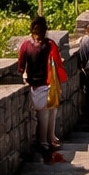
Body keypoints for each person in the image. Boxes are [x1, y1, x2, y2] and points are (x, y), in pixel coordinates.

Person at [17, 15, 64, 162]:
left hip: (38, 83)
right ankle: (46, 139)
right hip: (44, 83)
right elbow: (58, 62)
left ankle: (48, 138)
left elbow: (20, 66)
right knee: (48, 111)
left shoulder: (27, 45)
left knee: (48, 110)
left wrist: (21, 75)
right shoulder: (49, 44)